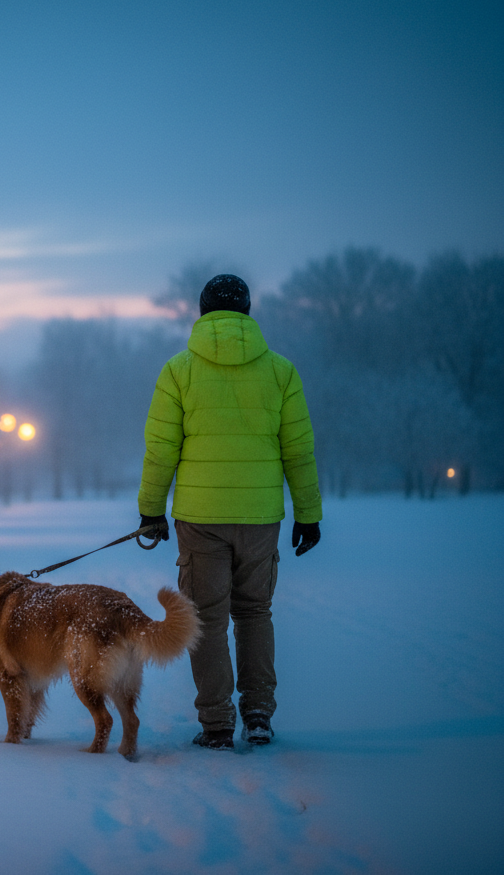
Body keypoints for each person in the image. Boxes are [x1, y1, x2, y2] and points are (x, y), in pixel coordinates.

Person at [137, 274, 322, 750]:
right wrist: (308, 514)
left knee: (207, 618)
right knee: (255, 613)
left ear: (201, 312)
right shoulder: (281, 372)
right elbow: (298, 451)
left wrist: (150, 512)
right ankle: (258, 714)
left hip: (200, 517)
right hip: (261, 515)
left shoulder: (178, 370)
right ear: (247, 311)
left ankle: (217, 723)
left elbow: (161, 450)